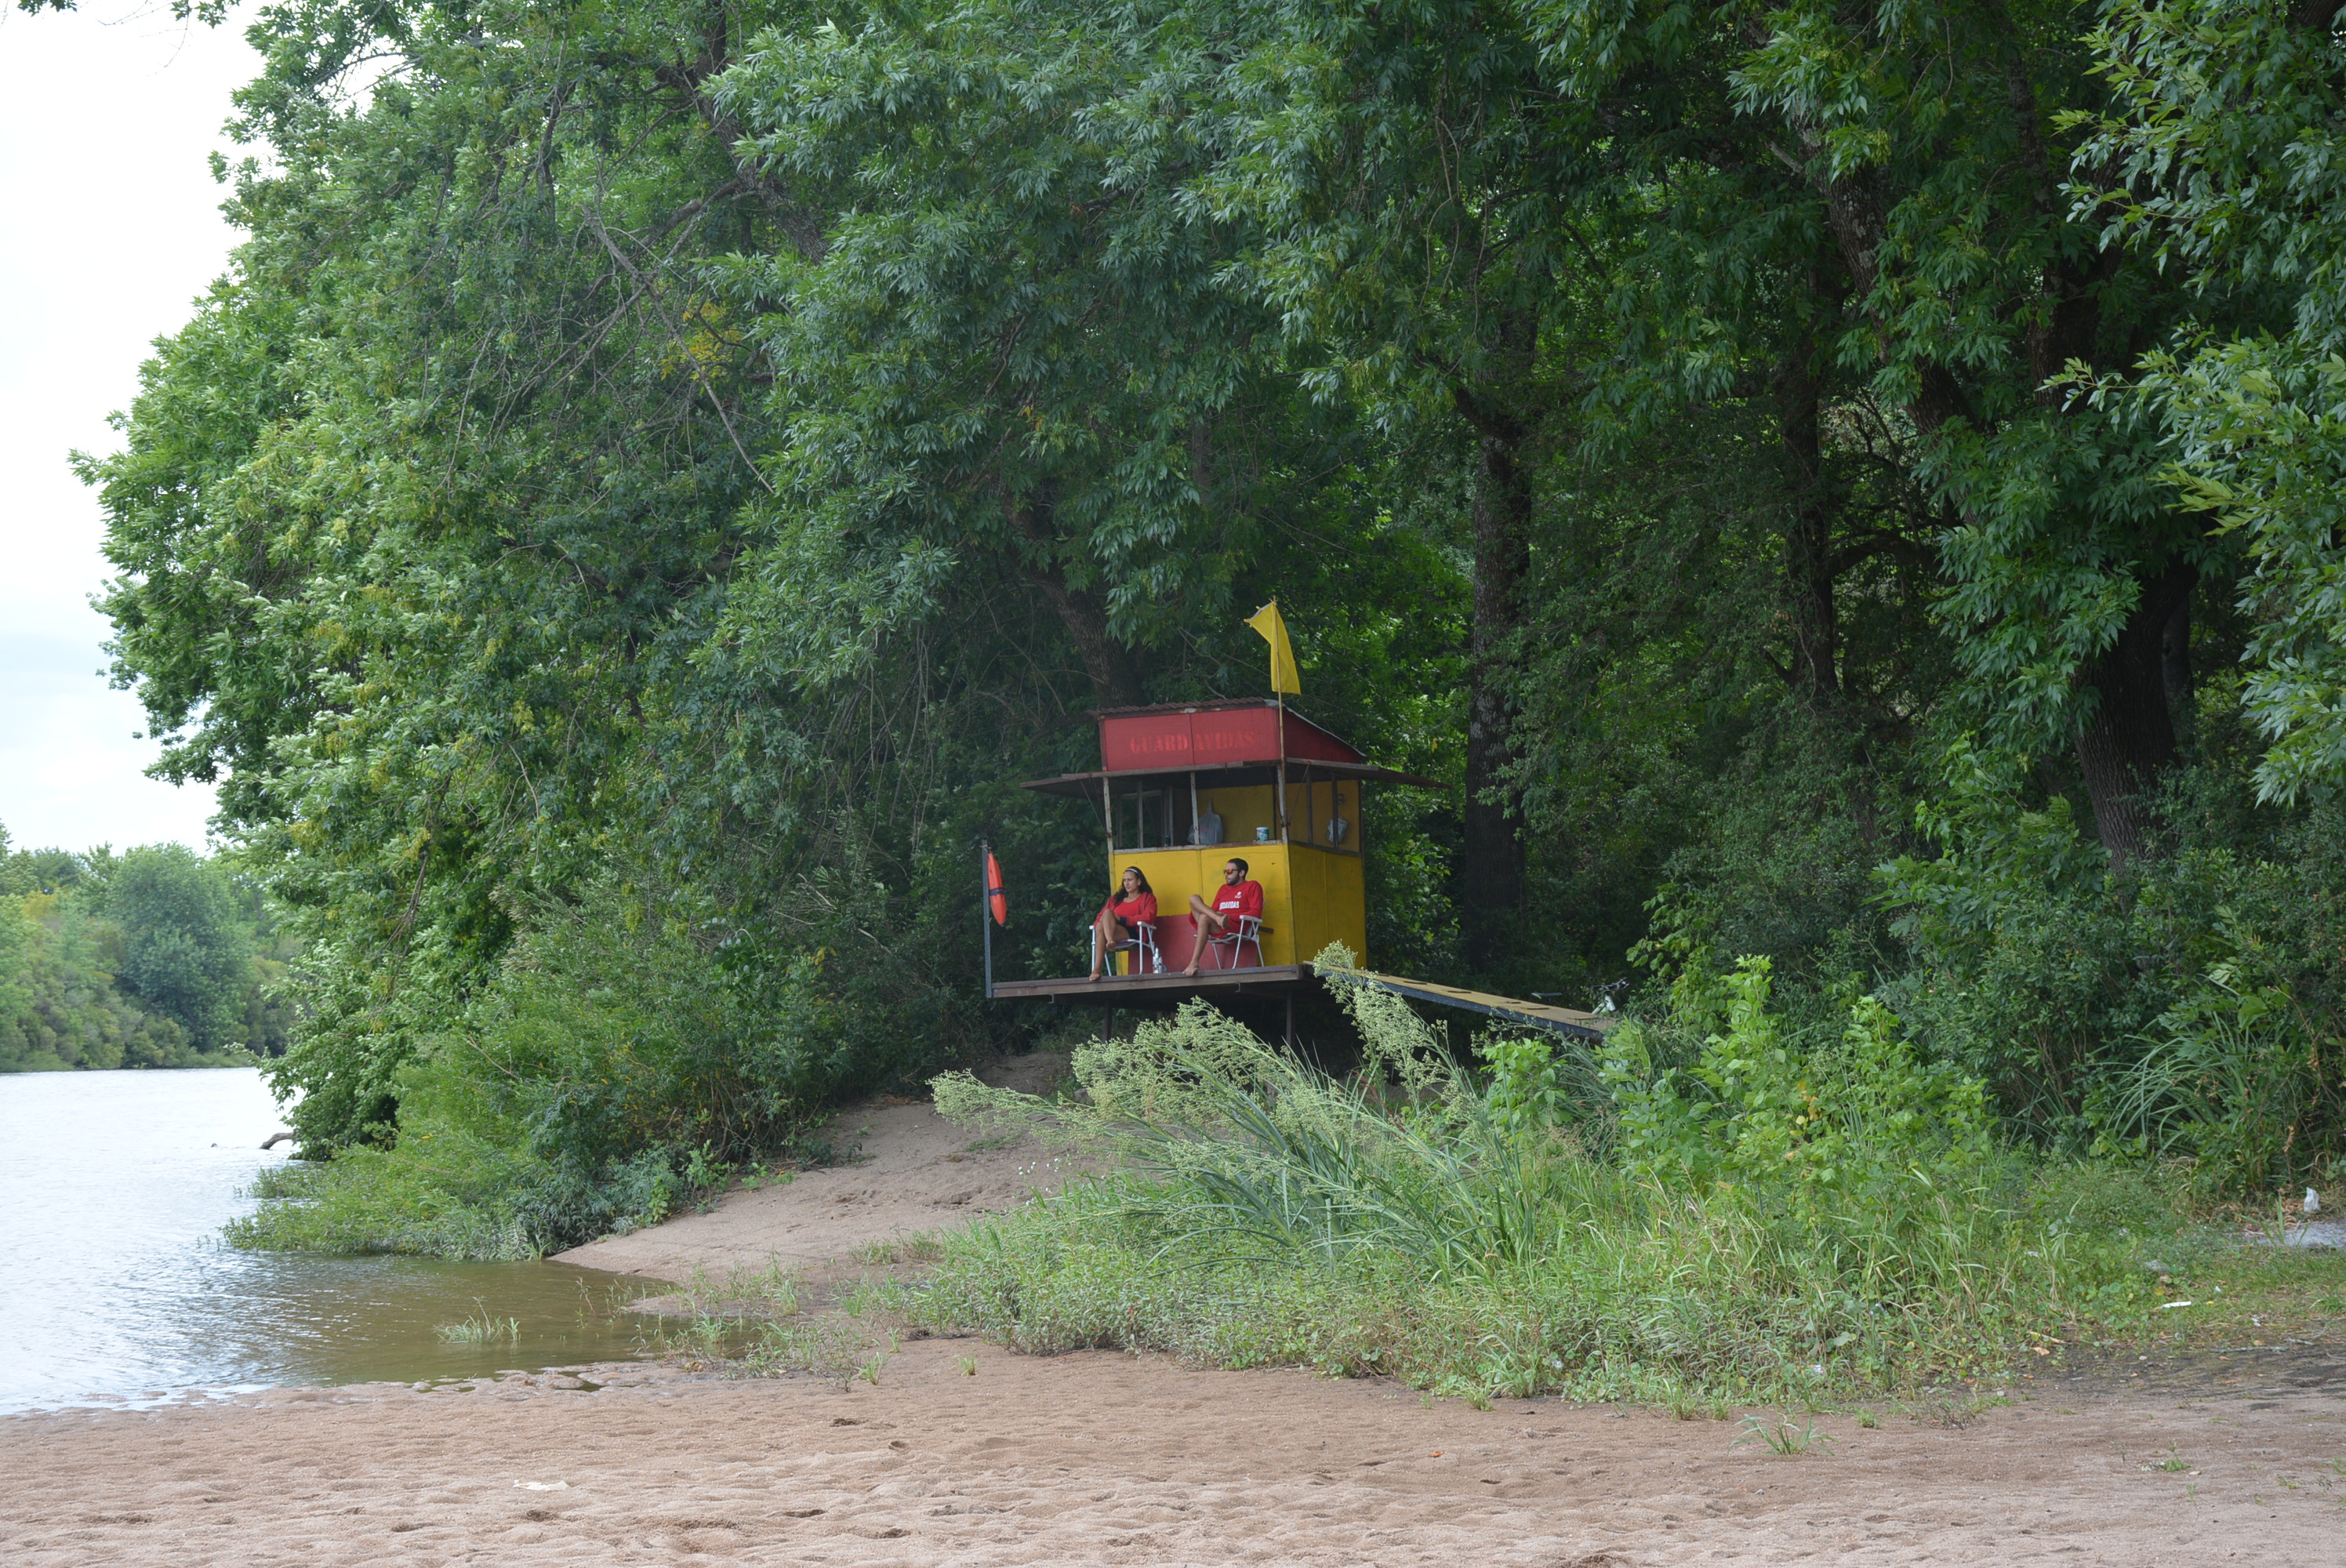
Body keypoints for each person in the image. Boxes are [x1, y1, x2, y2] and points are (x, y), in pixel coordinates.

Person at [1183, 858, 1263, 974]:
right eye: (1224, 872)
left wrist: (1229, 917)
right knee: (1193, 898)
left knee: (1204, 918)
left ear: (1241, 873)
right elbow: (1214, 909)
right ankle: (1218, 919)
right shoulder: (1223, 889)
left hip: (1235, 927)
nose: (1226, 874)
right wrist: (1217, 916)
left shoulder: (1252, 886)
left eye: (1230, 871)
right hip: (1218, 923)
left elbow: (1256, 913)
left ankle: (1194, 963)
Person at [1088, 866, 1158, 981]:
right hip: (1111, 932)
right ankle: (1099, 965)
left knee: (1107, 915)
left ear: (1139, 881)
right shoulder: (1116, 899)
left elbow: (1149, 917)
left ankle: (1097, 969)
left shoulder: (1147, 898)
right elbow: (1100, 917)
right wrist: (1098, 925)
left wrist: (1123, 919)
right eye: (1124, 880)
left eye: (1130, 880)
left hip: (1134, 932)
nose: (1126, 883)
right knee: (1104, 919)